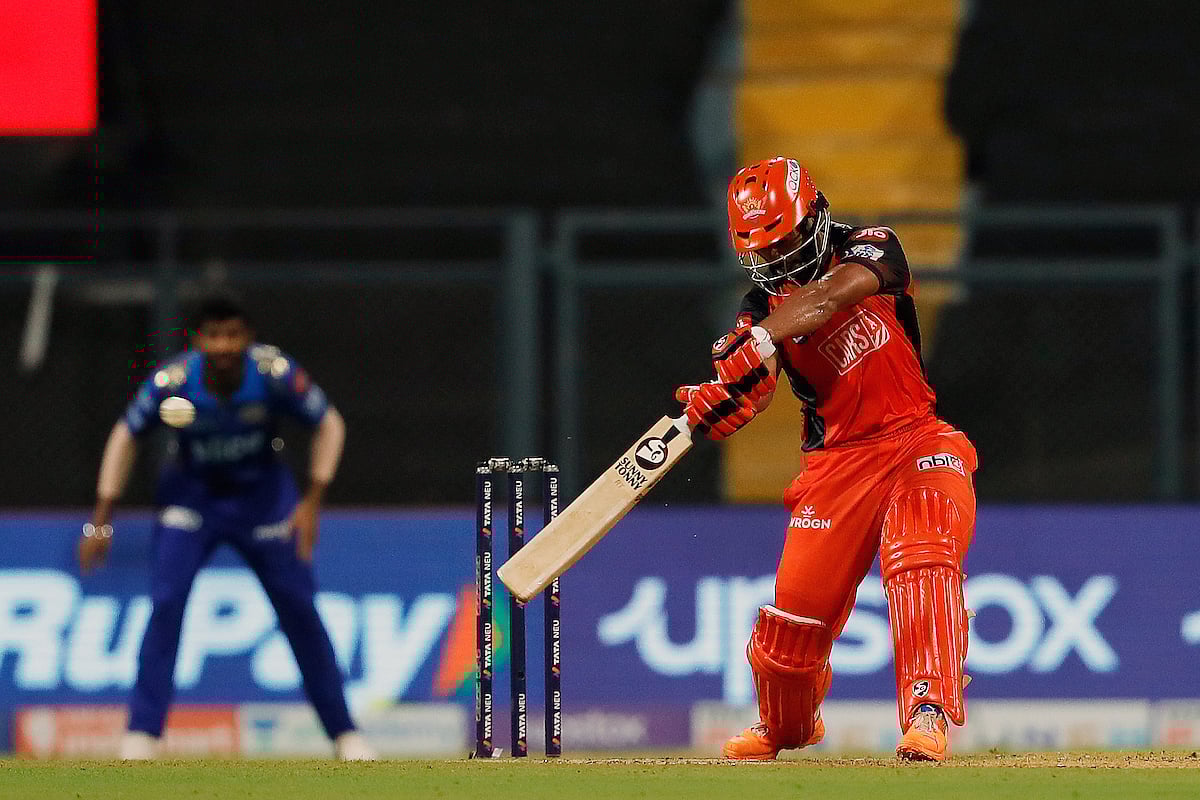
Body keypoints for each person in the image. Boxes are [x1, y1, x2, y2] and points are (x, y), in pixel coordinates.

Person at [677, 157, 978, 762]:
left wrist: (762, 339)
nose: (779, 260)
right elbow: (751, 392)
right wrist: (725, 398)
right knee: (792, 629)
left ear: (815, 216)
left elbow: (832, 296)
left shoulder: (871, 248)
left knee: (922, 550)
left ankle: (927, 709)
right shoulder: (755, 308)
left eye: (786, 239)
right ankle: (786, 727)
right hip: (835, 469)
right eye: (764, 250)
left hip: (917, 440)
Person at [78, 290, 375, 761]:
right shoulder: (171, 381)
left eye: (232, 334)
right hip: (191, 500)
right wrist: (102, 517)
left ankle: (345, 734)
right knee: (165, 603)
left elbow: (330, 424)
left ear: (248, 337)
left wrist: (313, 501)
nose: (222, 345)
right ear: (198, 339)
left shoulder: (274, 374)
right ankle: (142, 735)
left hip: (264, 501)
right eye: (213, 335)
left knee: (300, 608)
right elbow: (124, 436)